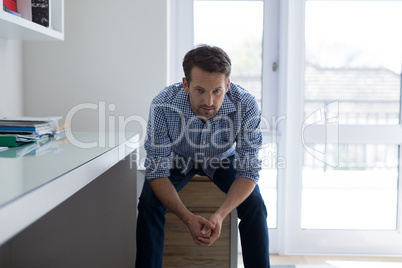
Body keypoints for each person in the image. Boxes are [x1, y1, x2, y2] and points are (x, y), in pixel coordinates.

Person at [135, 45, 270, 268]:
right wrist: (188, 218)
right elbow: (157, 170)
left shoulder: (245, 104)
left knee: (255, 203)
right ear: (186, 85)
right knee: (149, 202)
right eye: (200, 90)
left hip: (223, 158)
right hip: (180, 158)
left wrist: (220, 214)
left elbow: (249, 170)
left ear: (227, 85)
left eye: (217, 91)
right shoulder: (162, 104)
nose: (209, 101)